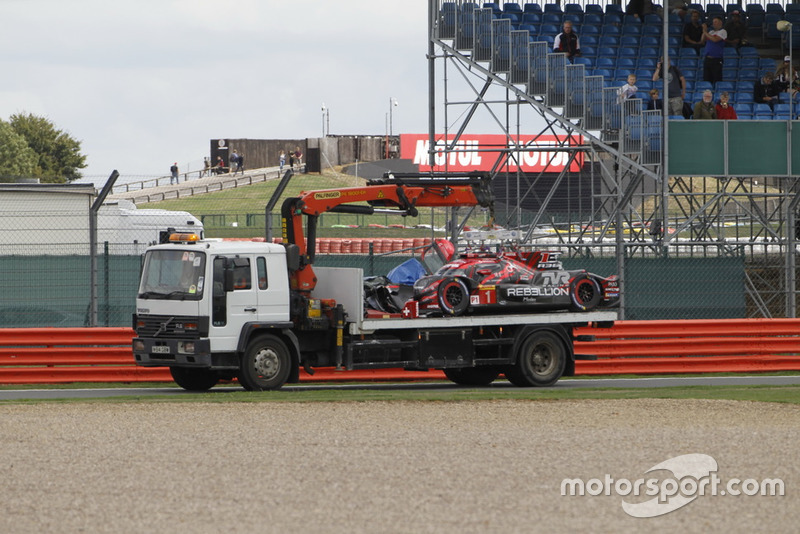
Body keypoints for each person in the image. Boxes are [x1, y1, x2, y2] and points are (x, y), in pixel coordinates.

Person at [702, 16, 726, 84]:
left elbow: (715, 40)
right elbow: (702, 41)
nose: (714, 24)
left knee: (717, 79)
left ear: (720, 23)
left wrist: (705, 32)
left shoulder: (723, 31)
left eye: (715, 22)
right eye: (713, 22)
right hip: (708, 59)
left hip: (716, 59)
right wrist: (704, 31)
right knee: (706, 79)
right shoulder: (711, 32)